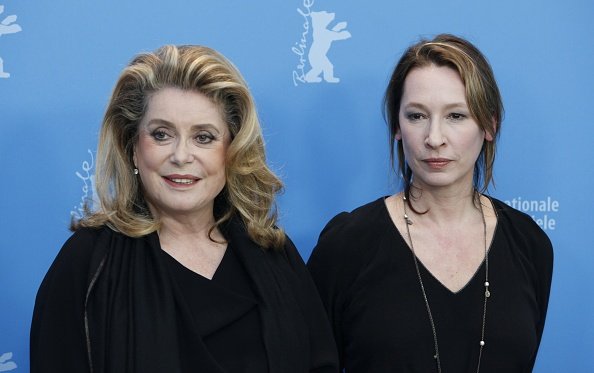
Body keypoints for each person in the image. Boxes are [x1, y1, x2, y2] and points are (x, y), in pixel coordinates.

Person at [31, 45, 338, 373]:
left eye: (203, 137)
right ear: (133, 148)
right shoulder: (88, 263)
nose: (181, 155)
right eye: (161, 134)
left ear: (231, 151)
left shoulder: (273, 252)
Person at [307, 34, 553, 372]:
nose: (434, 138)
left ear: (489, 125)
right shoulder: (347, 245)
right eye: (417, 116)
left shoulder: (528, 243)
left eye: (456, 116)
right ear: (397, 125)